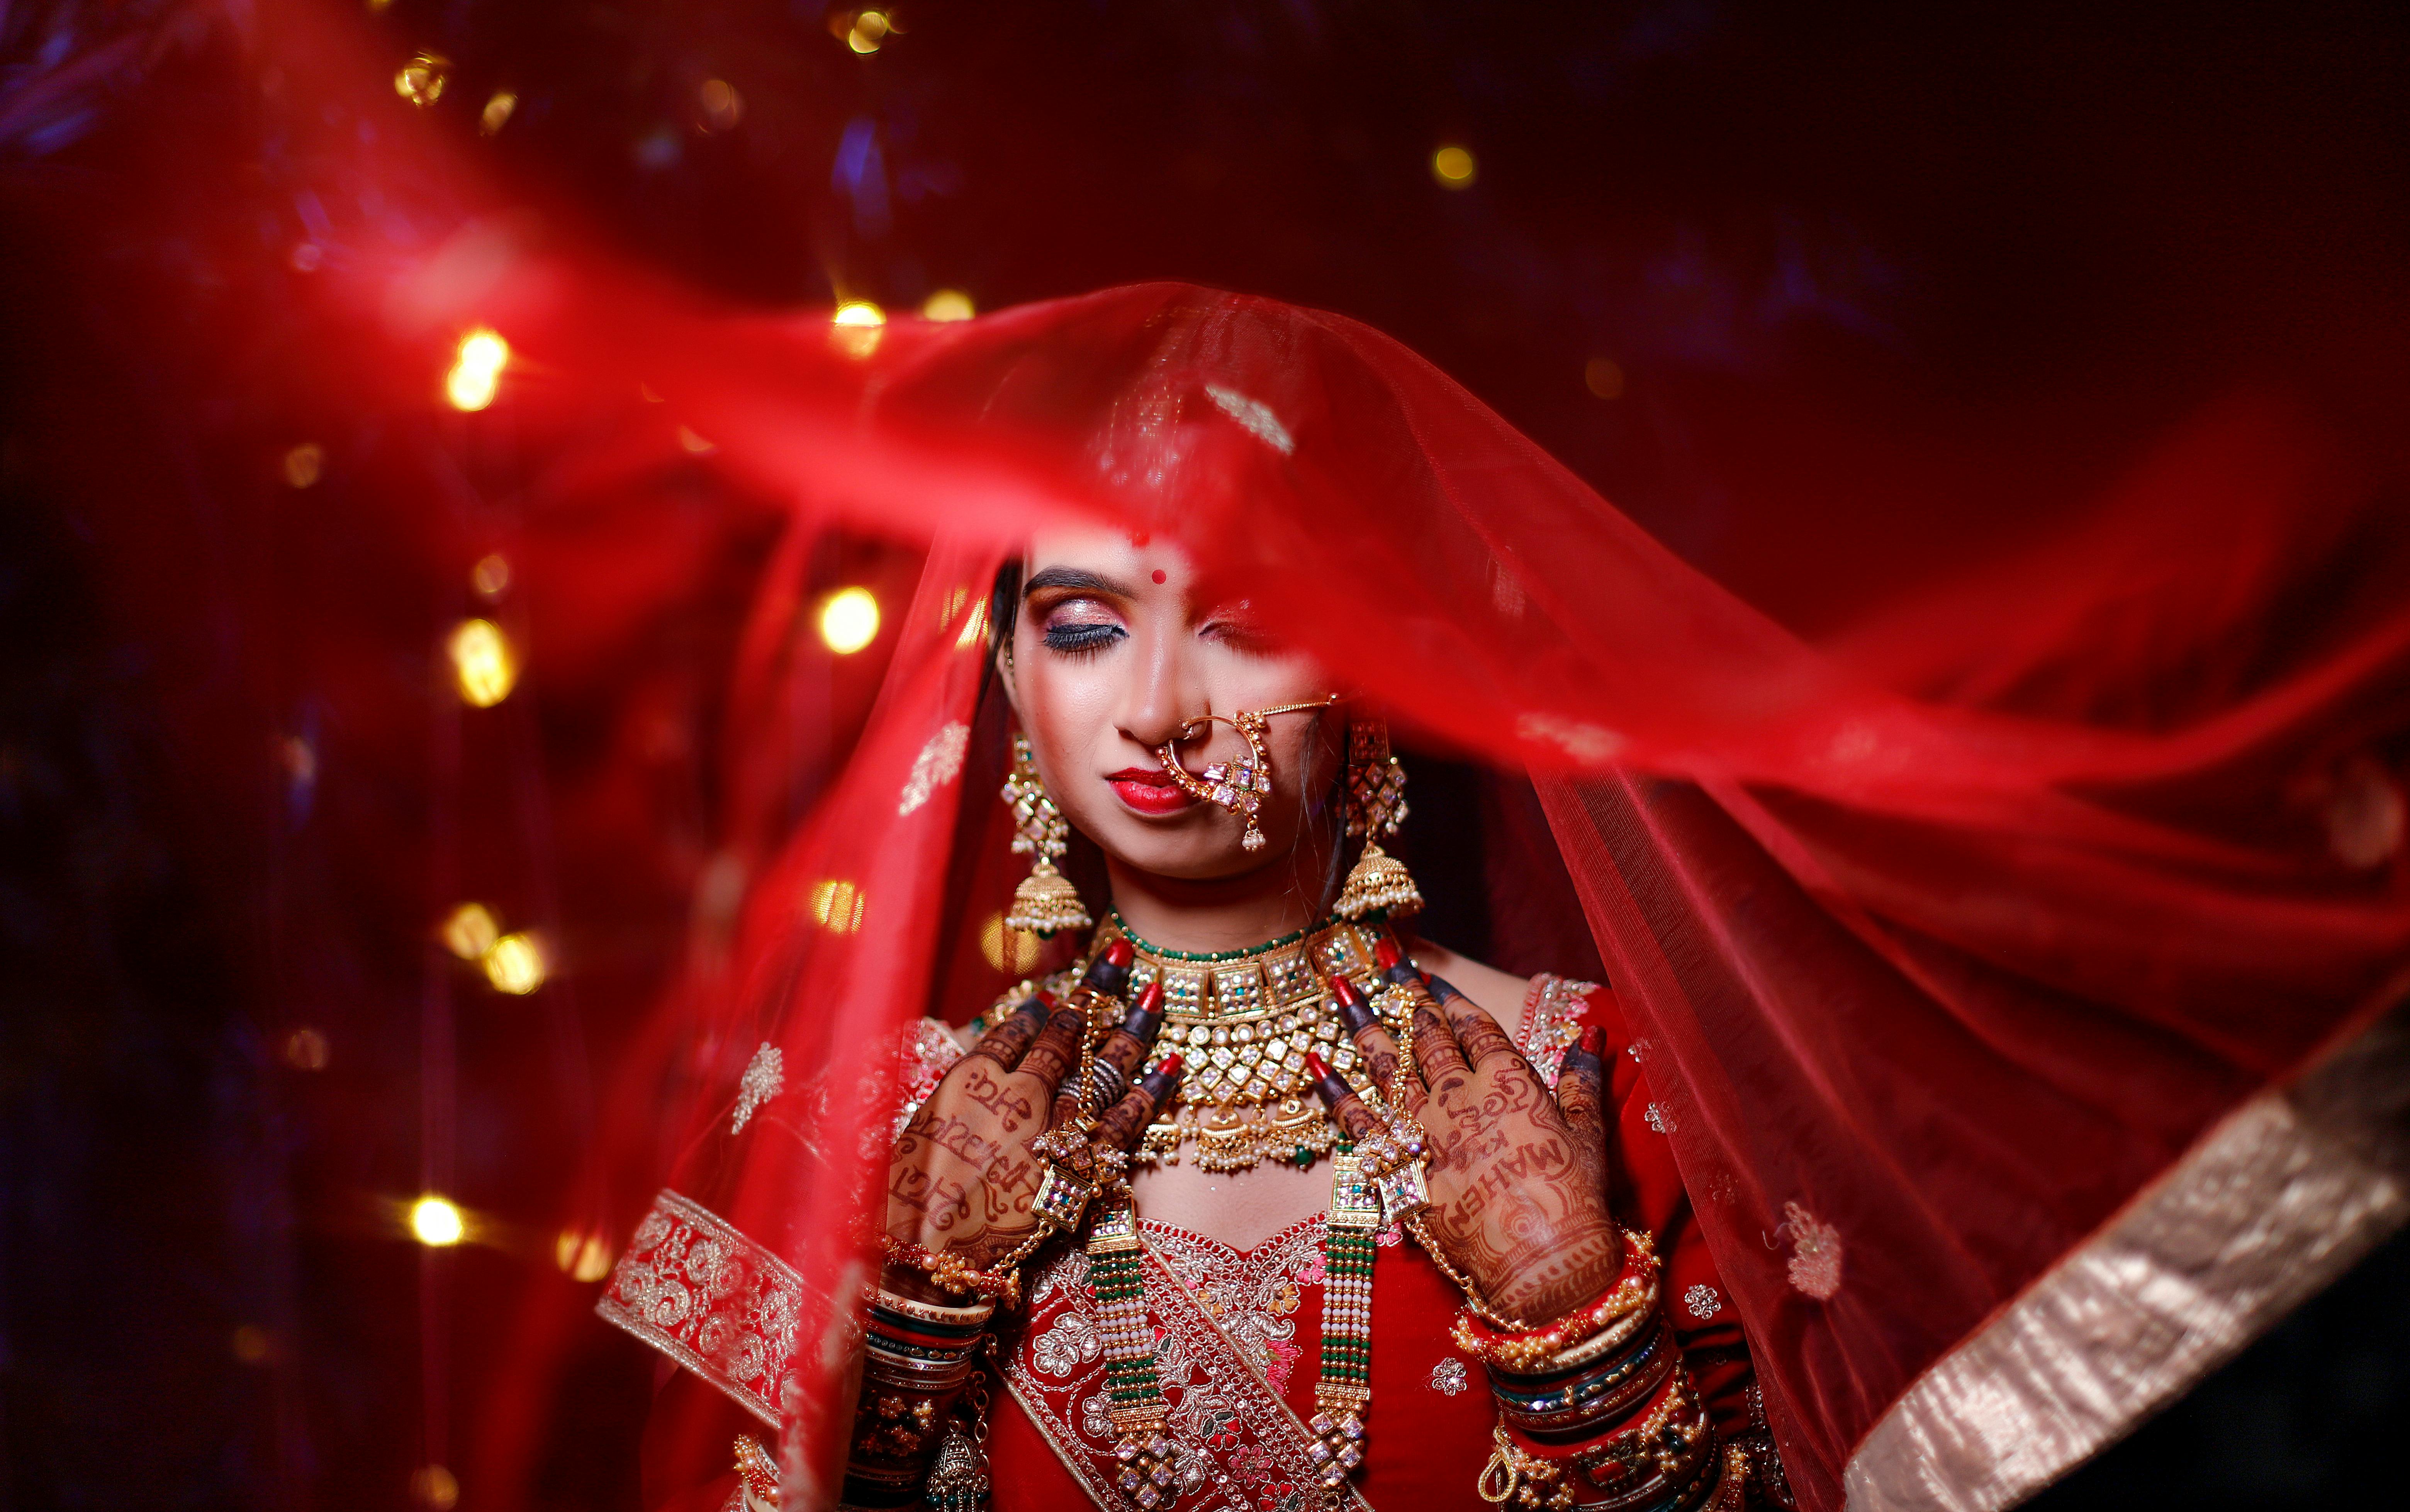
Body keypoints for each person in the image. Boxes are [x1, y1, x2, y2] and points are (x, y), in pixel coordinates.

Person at [587, 285, 2410, 1512]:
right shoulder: (870, 1131)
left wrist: (1579, 1328)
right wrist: (909, 1325)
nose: (1154, 703)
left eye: (1247, 619)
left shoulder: (1591, 1089)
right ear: (1004, 678)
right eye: (1081, 625)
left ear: (1380, 663)